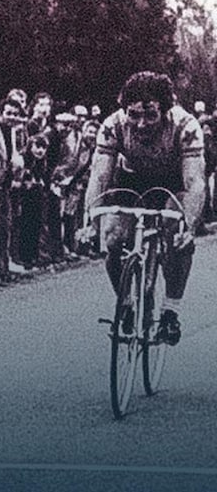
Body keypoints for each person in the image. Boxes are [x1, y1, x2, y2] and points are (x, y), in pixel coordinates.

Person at [82, 71, 205, 345]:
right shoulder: (113, 125)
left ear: (166, 111)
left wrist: (189, 226)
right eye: (134, 115)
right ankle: (125, 302)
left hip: (173, 182)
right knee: (112, 237)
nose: (140, 124)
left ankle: (170, 311)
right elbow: (99, 177)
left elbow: (195, 182)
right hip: (131, 180)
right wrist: (91, 221)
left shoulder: (186, 126)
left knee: (176, 233)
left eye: (150, 116)